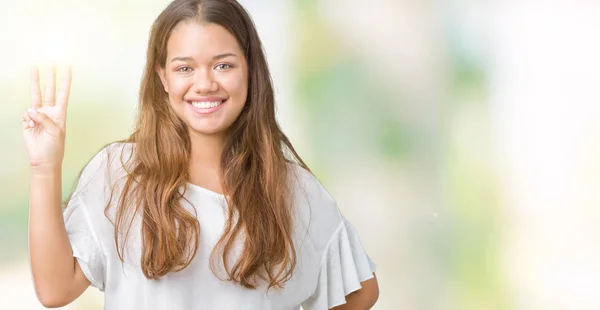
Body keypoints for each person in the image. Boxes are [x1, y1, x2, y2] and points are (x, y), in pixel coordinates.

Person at [22, 0, 378, 309]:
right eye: (184, 68)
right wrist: (44, 168)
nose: (205, 83)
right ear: (162, 77)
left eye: (223, 65)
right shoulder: (118, 173)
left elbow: (359, 293)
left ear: (250, 70)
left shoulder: (293, 189)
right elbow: (55, 290)